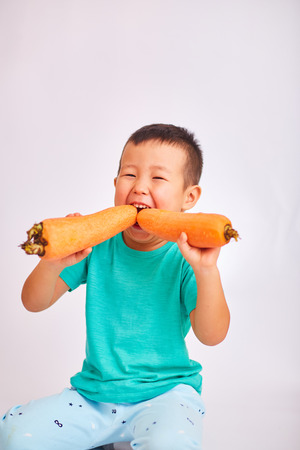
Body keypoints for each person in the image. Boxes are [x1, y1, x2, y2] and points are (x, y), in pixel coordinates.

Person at [0, 124, 230, 450]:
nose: (139, 188)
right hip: (94, 396)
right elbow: (32, 302)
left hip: (164, 395)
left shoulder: (185, 258)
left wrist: (207, 271)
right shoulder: (98, 244)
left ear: (188, 197)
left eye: (158, 178)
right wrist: (53, 261)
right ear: (114, 183)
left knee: (170, 444)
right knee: (14, 435)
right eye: (129, 175)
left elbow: (212, 334)